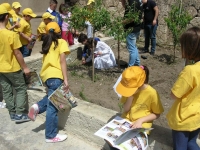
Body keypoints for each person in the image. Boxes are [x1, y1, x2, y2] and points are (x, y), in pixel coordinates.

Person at [28, 22, 70, 143]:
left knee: (51, 98)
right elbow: (62, 61)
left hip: (46, 77)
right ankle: (51, 136)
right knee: (53, 108)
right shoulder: (61, 42)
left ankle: (38, 106)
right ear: (58, 32)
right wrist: (66, 80)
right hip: (56, 77)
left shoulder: (46, 45)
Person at [108, 65, 164, 149]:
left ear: (141, 82)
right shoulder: (129, 90)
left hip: (141, 126)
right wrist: (131, 96)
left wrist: (141, 120)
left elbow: (157, 113)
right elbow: (126, 109)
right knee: (111, 141)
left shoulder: (152, 93)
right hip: (126, 122)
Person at [166, 26, 200, 150]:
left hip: (183, 119)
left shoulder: (190, 71)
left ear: (190, 48)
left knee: (180, 147)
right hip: (197, 117)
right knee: (192, 143)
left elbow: (174, 94)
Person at [0, 5, 31, 123]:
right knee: (21, 88)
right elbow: (18, 53)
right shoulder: (11, 35)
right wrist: (25, 68)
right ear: (7, 16)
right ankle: (19, 114)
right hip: (12, 67)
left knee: (6, 90)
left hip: (1, 68)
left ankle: (12, 113)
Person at [121, 0, 143, 67]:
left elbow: (132, 18)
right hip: (136, 28)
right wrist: (123, 2)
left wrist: (122, 23)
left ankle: (130, 67)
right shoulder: (137, 1)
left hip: (131, 29)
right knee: (133, 47)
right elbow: (128, 9)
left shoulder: (133, 2)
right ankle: (136, 63)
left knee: (131, 50)